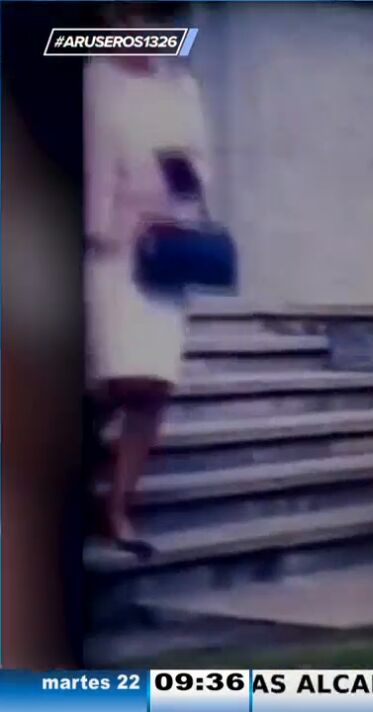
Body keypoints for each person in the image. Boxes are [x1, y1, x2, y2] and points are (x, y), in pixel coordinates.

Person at [85, 1, 210, 558]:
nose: (146, 33)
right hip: (102, 249)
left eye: (157, 23)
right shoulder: (90, 78)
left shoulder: (179, 88)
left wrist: (180, 206)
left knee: (153, 386)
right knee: (107, 379)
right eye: (133, 21)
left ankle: (119, 507)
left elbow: (195, 167)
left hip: (161, 252)